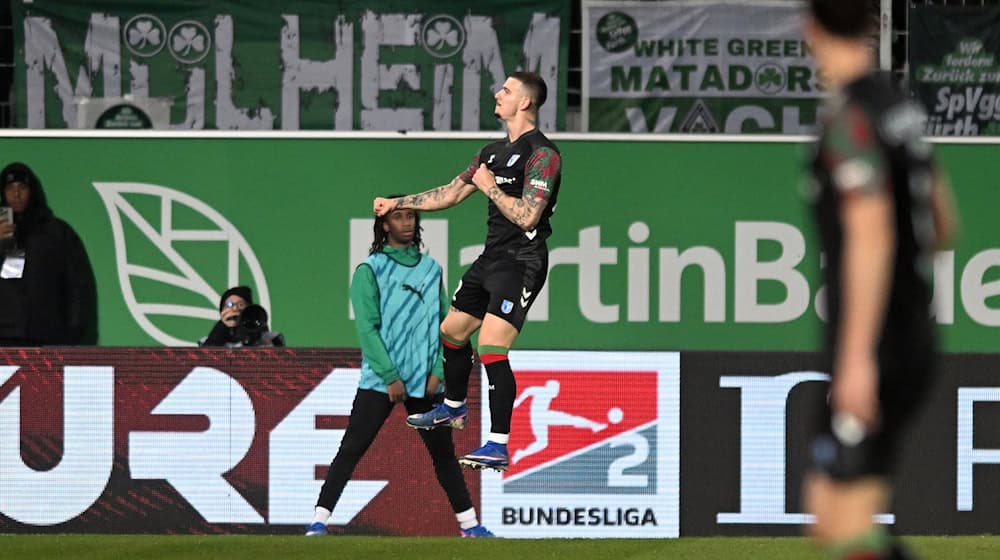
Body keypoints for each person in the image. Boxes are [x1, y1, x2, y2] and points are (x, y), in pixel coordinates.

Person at [801, 2, 958, 559]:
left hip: (879, 345)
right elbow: (943, 223)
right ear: (874, 25)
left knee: (845, 523)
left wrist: (857, 359)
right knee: (832, 516)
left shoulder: (852, 118)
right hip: (913, 331)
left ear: (809, 29)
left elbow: (871, 235)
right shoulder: (901, 111)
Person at [374, 71, 562, 472]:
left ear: (525, 102)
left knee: (491, 344)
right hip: (492, 258)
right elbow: (451, 193)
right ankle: (453, 408)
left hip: (523, 261)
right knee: (452, 331)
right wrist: (398, 203)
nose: (498, 94)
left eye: (507, 90)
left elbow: (528, 216)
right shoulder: (490, 152)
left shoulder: (543, 155)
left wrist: (491, 187)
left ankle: (498, 445)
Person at [305, 203, 492, 538]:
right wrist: (390, 376)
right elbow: (367, 328)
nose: (406, 222)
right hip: (381, 382)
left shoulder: (431, 269)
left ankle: (471, 527)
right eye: (398, 216)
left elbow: (447, 325)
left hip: (425, 382)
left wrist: (438, 372)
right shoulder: (370, 269)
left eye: (410, 216)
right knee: (352, 449)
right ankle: (318, 521)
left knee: (443, 456)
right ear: (384, 225)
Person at [0, 162, 97, 346]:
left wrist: (74, 334)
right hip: (4, 337)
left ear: (32, 191)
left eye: (22, 188)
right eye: (10, 189)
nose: (16, 194)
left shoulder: (57, 233)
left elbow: (78, 285)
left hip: (47, 338)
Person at [199, 285, 284, 347]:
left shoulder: (270, 338)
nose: (235, 308)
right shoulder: (208, 341)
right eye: (229, 305)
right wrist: (222, 327)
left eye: (240, 305)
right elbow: (204, 361)